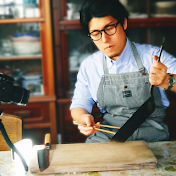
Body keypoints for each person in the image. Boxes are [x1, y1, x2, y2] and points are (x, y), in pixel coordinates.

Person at [70, 0, 176, 143]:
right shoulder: (90, 66)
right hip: (109, 136)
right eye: (96, 33)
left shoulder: (153, 57)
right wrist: (83, 118)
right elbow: (79, 105)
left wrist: (168, 81)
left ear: (124, 23)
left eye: (109, 28)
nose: (105, 39)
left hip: (152, 136)